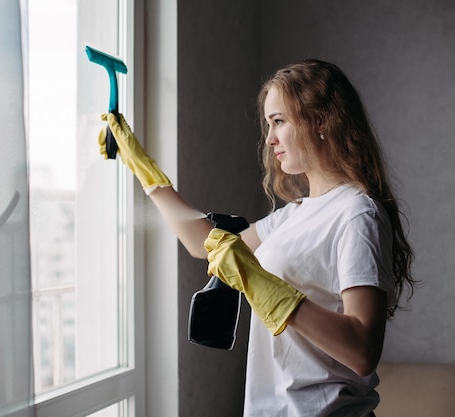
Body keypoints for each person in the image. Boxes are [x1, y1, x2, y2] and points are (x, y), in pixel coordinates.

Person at [100, 59, 415, 417]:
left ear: (321, 120)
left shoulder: (357, 214)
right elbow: (203, 243)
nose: (270, 138)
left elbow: (362, 351)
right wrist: (141, 165)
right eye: (268, 124)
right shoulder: (293, 214)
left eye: (279, 121)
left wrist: (261, 284)